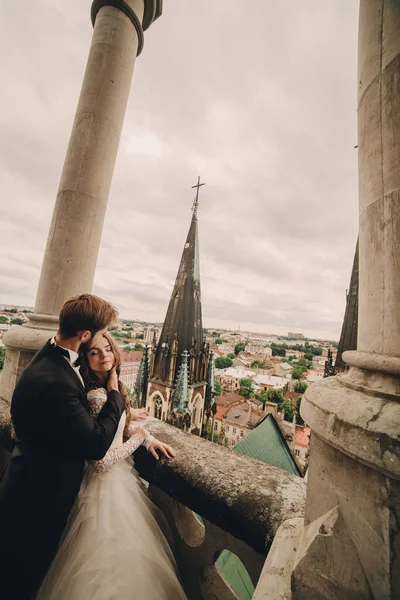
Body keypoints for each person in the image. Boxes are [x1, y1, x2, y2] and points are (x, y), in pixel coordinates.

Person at [36, 332, 187, 600]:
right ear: (86, 357)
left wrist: (148, 438)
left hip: (114, 486)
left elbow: (117, 428)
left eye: (107, 348)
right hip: (105, 489)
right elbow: (100, 460)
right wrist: (139, 440)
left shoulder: (109, 387)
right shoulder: (97, 395)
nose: (104, 354)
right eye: (95, 352)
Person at [0, 294, 129, 600]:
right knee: (22, 582)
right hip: (39, 500)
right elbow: (96, 444)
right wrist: (116, 398)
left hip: (24, 482)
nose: (104, 341)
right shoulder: (57, 379)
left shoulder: (49, 356)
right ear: (85, 336)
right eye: (99, 335)